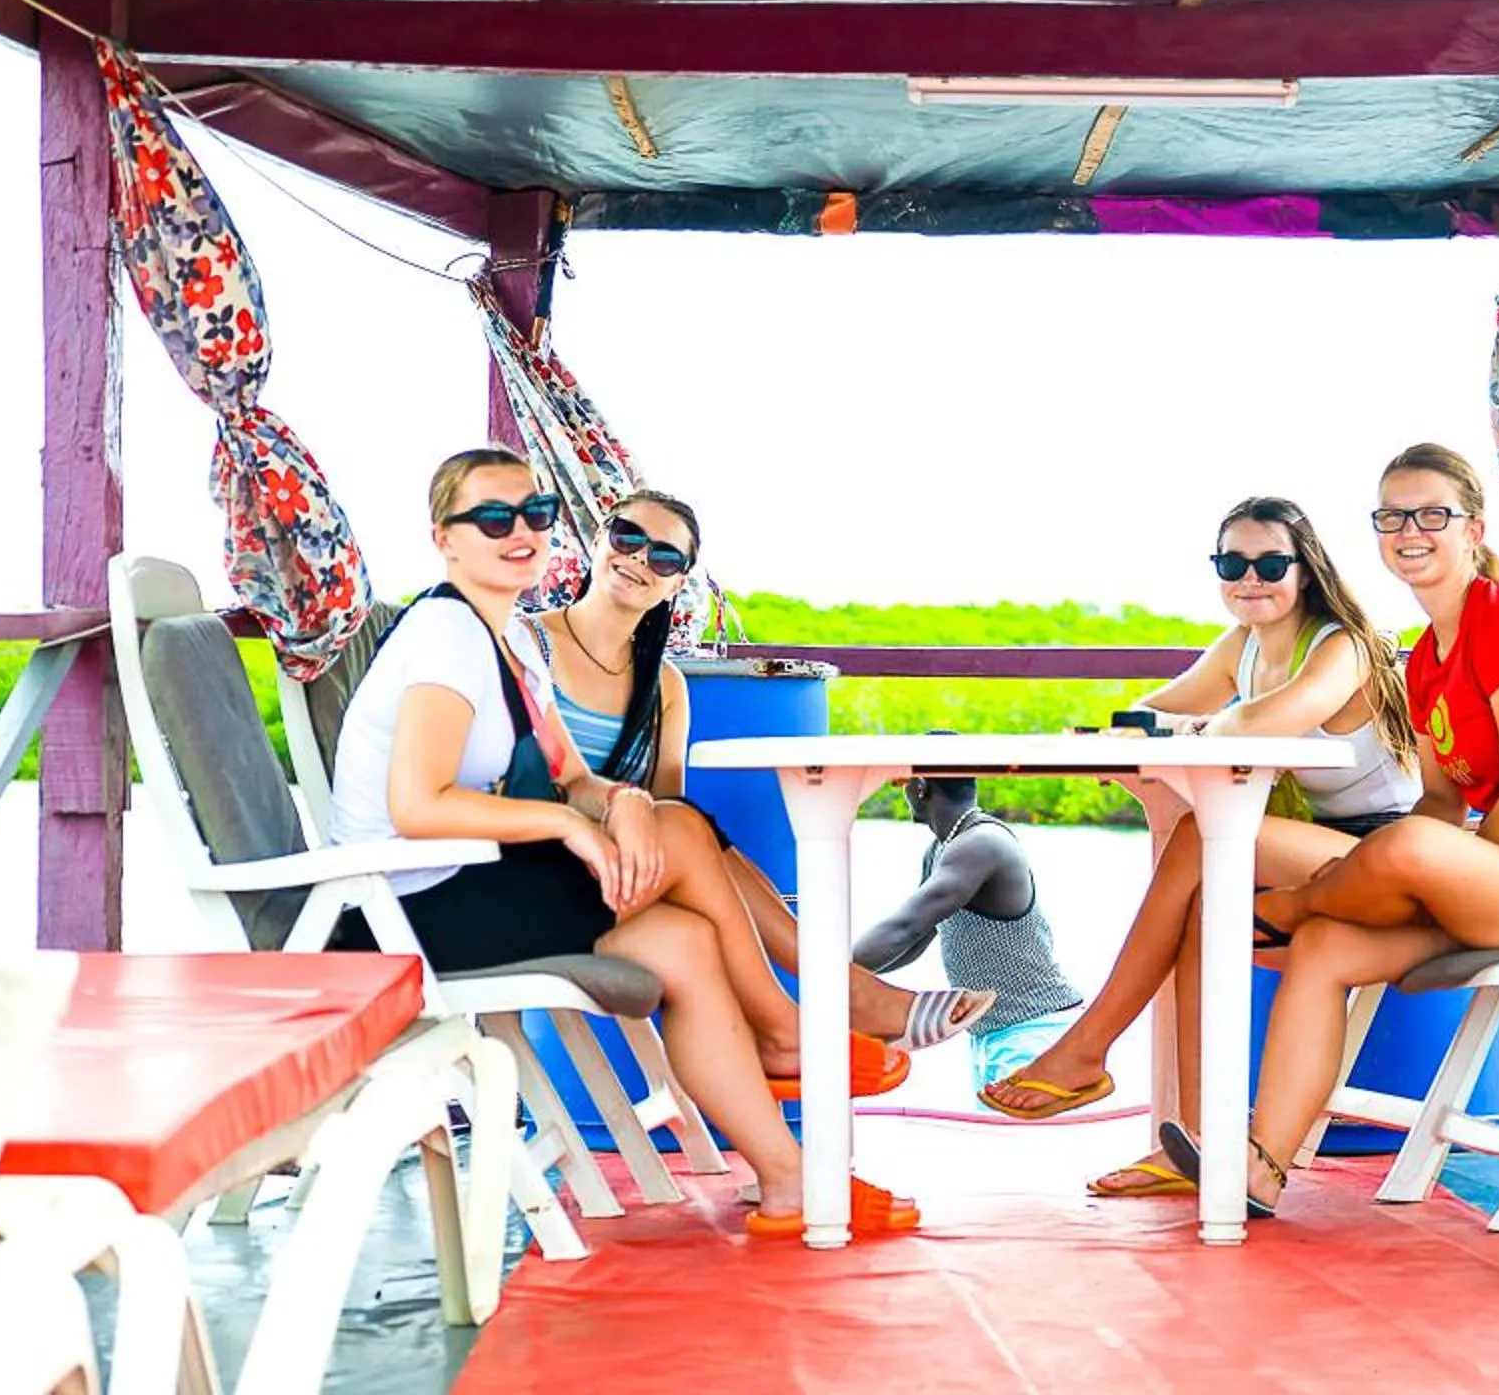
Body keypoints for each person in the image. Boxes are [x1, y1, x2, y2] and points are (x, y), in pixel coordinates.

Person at [326, 446, 920, 1238]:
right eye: (493, 518)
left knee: (684, 941)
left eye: (535, 515)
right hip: (402, 906)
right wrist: (572, 823)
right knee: (682, 832)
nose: (521, 533)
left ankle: (787, 1181)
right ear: (446, 537)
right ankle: (784, 1028)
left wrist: (622, 799)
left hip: (462, 891)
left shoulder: (505, 645)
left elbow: (574, 775)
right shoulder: (446, 633)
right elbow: (421, 805)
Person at [1160, 443, 1499, 1217]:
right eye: (1392, 516)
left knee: (1406, 852)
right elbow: (1443, 801)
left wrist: (1441, 872)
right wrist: (1436, 876)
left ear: (1473, 529)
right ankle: (1260, 1168)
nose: (1409, 530)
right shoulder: (1422, 663)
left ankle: (1283, 909)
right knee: (1325, 947)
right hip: (1486, 885)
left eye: (1431, 515)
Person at [976, 494, 1422, 1201]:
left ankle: (1087, 1048)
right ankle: (1193, 1141)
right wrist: (1122, 731)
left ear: (1305, 570)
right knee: (1201, 909)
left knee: (1197, 839)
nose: (1251, 578)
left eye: (1271, 563)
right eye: (1232, 563)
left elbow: (1274, 720)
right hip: (1321, 856)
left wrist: (1191, 729)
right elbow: (1158, 708)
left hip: (1393, 856)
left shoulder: (1342, 646)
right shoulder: (1241, 647)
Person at [533, 488, 999, 1060]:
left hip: (626, 874)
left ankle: (814, 1015)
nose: (637, 560)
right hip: (538, 869)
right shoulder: (529, 644)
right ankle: (827, 1006)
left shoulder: (666, 686)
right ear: (598, 539)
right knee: (689, 832)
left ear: (678, 583)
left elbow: (668, 814)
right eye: (628, 537)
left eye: (663, 557)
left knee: (688, 829)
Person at [854, 775, 1086, 1095]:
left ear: (920, 787)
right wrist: (848, 979)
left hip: (1034, 1031)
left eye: (903, 782)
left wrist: (815, 976)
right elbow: (916, 940)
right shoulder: (942, 848)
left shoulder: (982, 844)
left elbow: (904, 929)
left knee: (1019, 1141)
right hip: (994, 1034)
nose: (901, 790)